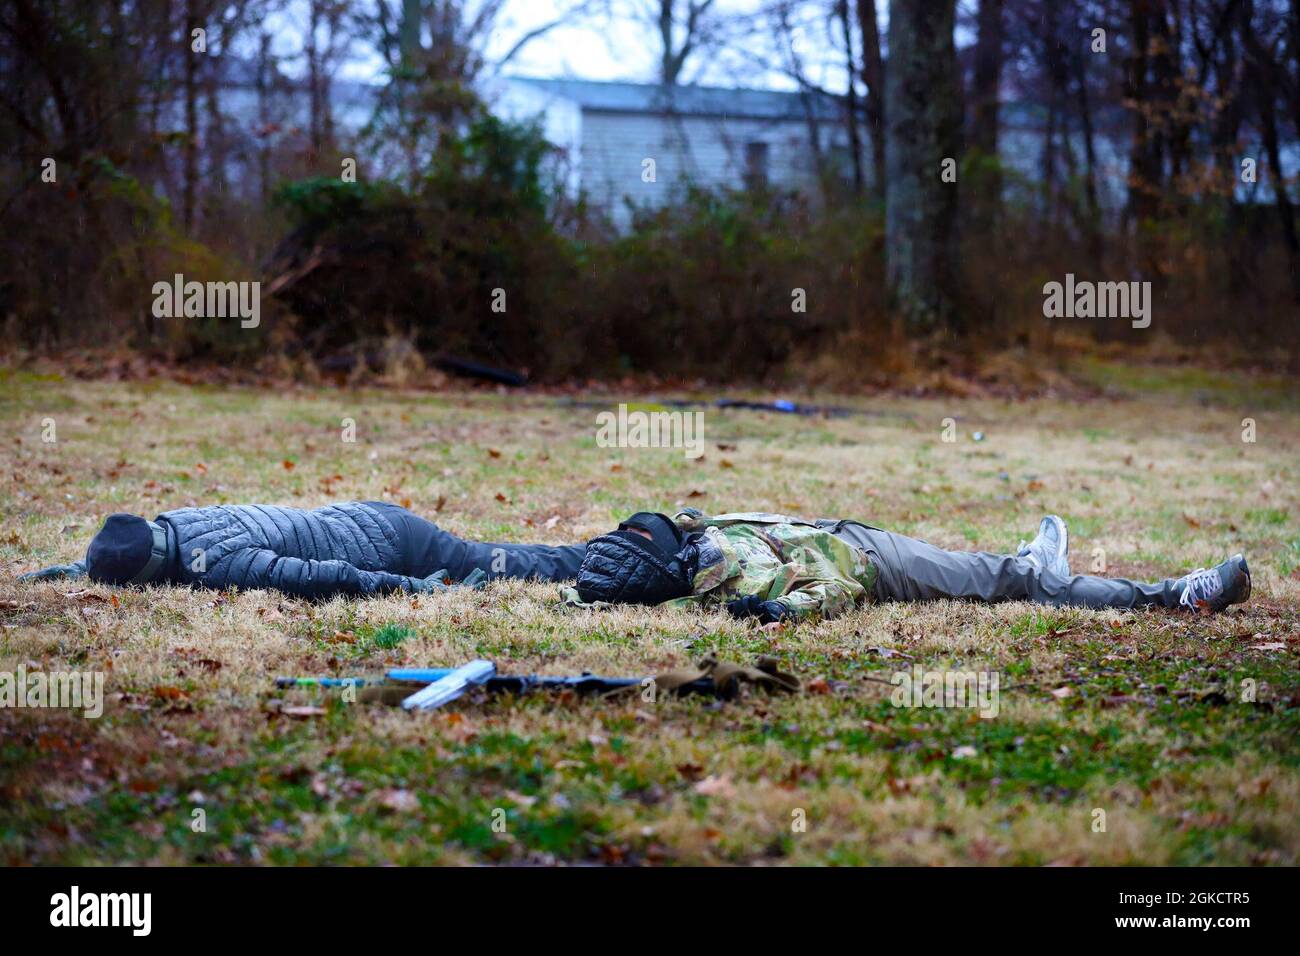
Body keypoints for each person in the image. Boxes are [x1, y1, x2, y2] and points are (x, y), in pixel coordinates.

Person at [565, 510, 1251, 621]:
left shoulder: (691, 553)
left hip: (849, 534)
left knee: (993, 571)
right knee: (1012, 586)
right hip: (874, 564)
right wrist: (778, 610)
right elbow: (831, 590)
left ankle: (1031, 563)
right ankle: (1176, 596)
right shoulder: (725, 584)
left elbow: (597, 578)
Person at [19, 501, 585, 600]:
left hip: (394, 545)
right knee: (491, 553)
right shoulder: (177, 525)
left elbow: (327, 576)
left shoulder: (218, 567)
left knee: (501, 563)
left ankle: (603, 556)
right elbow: (122, 553)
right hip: (360, 514)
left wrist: (419, 588)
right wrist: (66, 570)